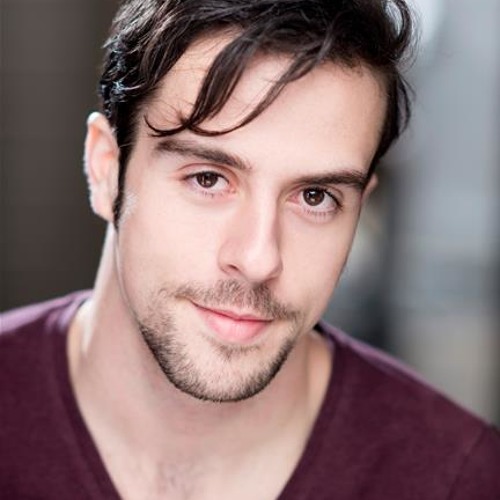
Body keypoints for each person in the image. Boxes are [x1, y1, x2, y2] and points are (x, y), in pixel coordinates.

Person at [1, 0, 499, 498]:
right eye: (208, 178)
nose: (260, 259)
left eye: (315, 197)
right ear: (105, 168)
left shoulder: (458, 479)